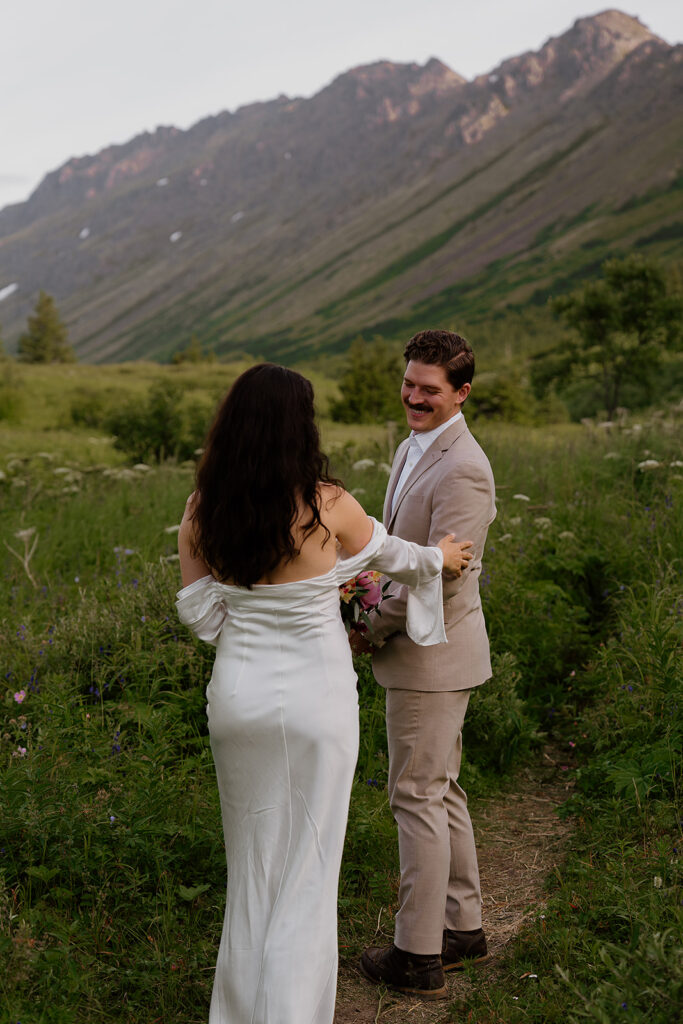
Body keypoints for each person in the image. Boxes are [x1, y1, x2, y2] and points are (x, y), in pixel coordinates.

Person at [174, 362, 473, 1024]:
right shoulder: (325, 503)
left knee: (251, 863)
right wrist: (441, 560)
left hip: (239, 698)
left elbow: (200, 617)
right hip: (317, 697)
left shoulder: (201, 508)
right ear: (298, 427)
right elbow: (397, 555)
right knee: (308, 866)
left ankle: (240, 1013)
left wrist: (253, 618)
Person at [353, 329, 496, 1000]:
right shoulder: (414, 445)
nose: (412, 396)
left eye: (428, 390)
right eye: (408, 383)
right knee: (441, 789)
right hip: (427, 652)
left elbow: (441, 579)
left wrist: (368, 627)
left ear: (460, 393)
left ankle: (416, 954)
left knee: (413, 795)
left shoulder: (464, 466)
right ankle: (461, 928)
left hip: (428, 657)